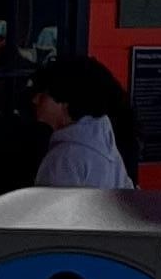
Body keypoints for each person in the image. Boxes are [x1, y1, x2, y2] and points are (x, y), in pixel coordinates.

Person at [31, 51, 137, 187]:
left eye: (43, 95)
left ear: (65, 102)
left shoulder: (63, 160)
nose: (35, 100)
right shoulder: (106, 146)